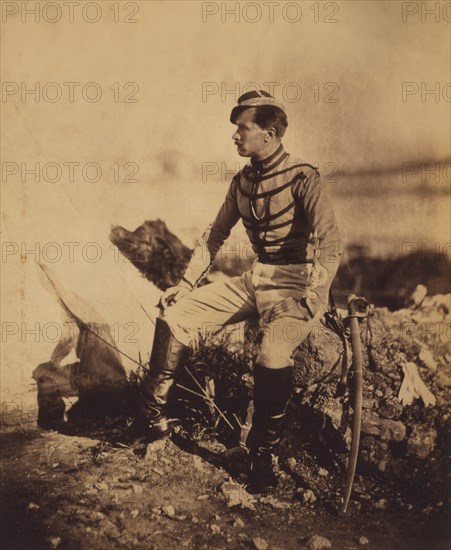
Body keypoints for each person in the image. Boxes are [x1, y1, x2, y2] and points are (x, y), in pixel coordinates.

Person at [115, 90, 342, 493]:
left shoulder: (304, 177)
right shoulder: (242, 181)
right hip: (255, 280)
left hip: (295, 285)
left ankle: (262, 453)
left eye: (243, 129)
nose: (235, 136)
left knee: (272, 355)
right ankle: (151, 420)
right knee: (176, 315)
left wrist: (313, 298)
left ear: (269, 133)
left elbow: (330, 243)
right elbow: (214, 235)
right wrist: (185, 285)